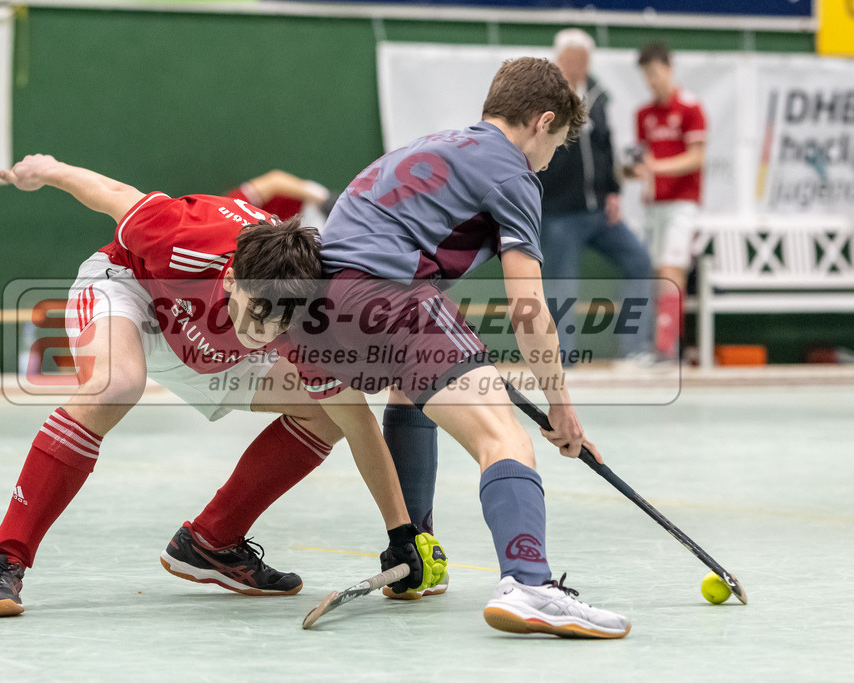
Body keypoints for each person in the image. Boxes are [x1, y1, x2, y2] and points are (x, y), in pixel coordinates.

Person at [187, 57, 632, 638]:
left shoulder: (430, 147)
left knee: (409, 388)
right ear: (544, 121)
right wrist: (561, 406)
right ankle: (528, 583)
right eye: (557, 144)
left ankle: (413, 555)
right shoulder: (514, 173)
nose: (550, 159)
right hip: (384, 298)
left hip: (312, 317)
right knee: (503, 438)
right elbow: (529, 308)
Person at [0, 154, 445, 617]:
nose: (266, 331)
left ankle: (213, 542)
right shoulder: (184, 233)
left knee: (327, 412)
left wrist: (399, 532)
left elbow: (358, 422)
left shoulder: (300, 317)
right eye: (259, 314)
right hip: (135, 293)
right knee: (116, 384)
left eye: (281, 322)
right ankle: (5, 559)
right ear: (232, 277)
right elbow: (111, 192)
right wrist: (49, 170)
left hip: (214, 350)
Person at [539, 29, 653, 364]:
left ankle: (634, 350)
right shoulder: (544, 100)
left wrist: (614, 193)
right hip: (559, 213)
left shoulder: (599, 96)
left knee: (639, 261)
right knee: (562, 283)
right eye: (571, 59)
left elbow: (604, 147)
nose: (578, 66)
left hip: (600, 211)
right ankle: (563, 359)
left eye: (583, 59)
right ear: (559, 60)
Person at [628, 41, 707, 361]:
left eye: (656, 74)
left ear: (669, 70)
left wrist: (657, 167)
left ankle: (667, 349)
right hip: (653, 206)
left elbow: (697, 157)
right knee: (652, 272)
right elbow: (641, 161)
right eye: (646, 75)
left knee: (671, 272)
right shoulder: (643, 114)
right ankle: (652, 346)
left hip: (682, 204)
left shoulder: (690, 108)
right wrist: (635, 172)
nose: (651, 81)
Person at [225, 169, 338, 227]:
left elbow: (276, 180)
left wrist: (325, 199)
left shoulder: (232, 203)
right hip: (297, 234)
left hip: (311, 205)